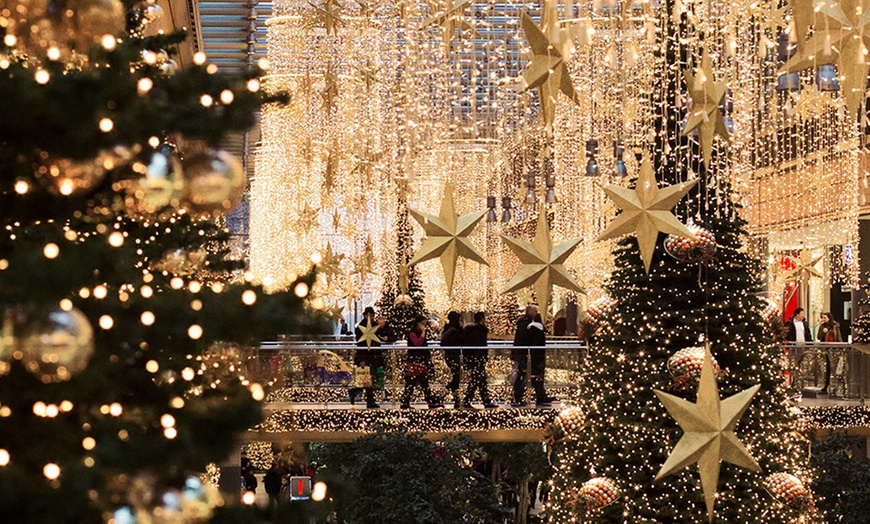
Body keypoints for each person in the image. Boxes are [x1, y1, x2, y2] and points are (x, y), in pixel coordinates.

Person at [512, 306, 554, 407]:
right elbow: (524, 340)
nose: (536, 313)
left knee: (531, 376)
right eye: (535, 311)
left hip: (528, 355)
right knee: (524, 376)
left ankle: (539, 396)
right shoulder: (526, 325)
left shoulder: (527, 324)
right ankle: (519, 397)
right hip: (526, 355)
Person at [400, 315, 444, 409]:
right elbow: (418, 344)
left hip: (421, 361)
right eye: (422, 324)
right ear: (418, 323)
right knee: (412, 383)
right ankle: (406, 402)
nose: (424, 326)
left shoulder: (421, 333)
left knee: (423, 383)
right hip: (414, 361)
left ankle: (429, 402)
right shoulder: (413, 333)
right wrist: (423, 333)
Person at [349, 306, 385, 409]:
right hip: (365, 356)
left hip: (372, 356)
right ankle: (370, 401)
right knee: (367, 379)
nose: (371, 317)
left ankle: (355, 392)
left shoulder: (374, 326)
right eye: (369, 315)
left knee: (368, 380)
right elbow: (360, 344)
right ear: (365, 315)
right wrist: (362, 360)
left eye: (372, 315)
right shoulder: (361, 327)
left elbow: (379, 338)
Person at [463, 311, 497, 408]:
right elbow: (480, 346)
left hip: (474, 359)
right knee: (477, 379)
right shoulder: (479, 331)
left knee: (480, 380)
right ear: (482, 320)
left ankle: (484, 400)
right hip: (478, 359)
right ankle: (470, 400)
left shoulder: (472, 331)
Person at [441, 311, 467, 408]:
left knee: (457, 377)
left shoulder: (447, 329)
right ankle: (445, 393)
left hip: (450, 355)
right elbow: (462, 340)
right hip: (455, 355)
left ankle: (455, 399)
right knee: (457, 377)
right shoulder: (456, 330)